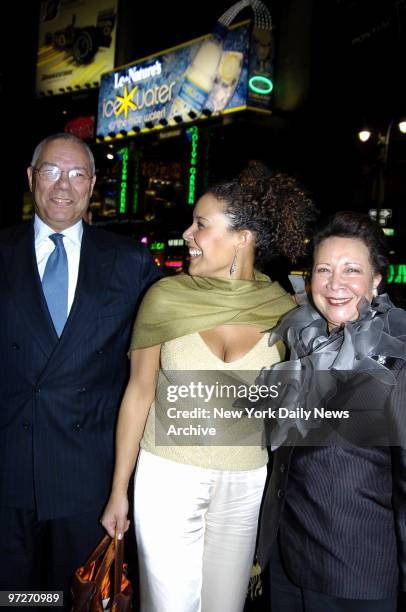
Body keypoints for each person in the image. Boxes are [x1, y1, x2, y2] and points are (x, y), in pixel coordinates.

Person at [101, 161, 316, 612]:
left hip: (245, 481)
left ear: (242, 238)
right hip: (167, 476)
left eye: (201, 224)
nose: (187, 234)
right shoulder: (166, 297)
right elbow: (139, 393)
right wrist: (119, 489)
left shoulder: (283, 309)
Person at [0, 133, 161, 608]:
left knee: (75, 600)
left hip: (87, 479)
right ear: (31, 179)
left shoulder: (130, 261)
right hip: (8, 474)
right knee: (17, 600)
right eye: (51, 171)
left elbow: (171, 336)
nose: (63, 186)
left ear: (92, 185)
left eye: (77, 174)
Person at [256, 212, 406, 612]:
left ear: (377, 279)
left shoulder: (398, 362)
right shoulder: (304, 344)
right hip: (289, 561)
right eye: (323, 269)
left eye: (351, 270)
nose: (335, 283)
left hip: (357, 573)